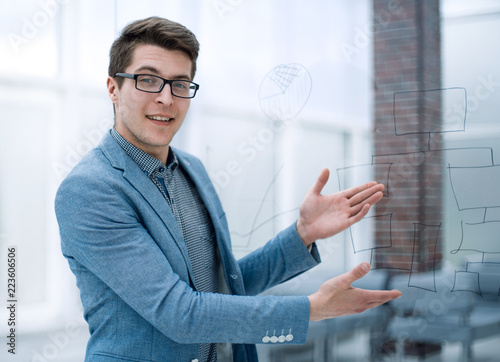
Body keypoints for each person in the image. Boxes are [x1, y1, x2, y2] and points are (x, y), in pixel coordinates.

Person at [55, 16, 401, 362]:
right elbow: (180, 314)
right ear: (114, 88)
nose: (166, 98)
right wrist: (310, 309)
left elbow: (224, 287)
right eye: (148, 80)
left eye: (180, 84)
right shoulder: (90, 190)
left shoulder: (192, 170)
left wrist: (302, 234)